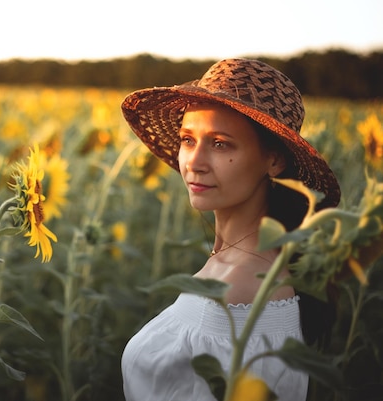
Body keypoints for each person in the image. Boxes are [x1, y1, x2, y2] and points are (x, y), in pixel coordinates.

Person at [119, 58, 341, 401]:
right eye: (188, 140)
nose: (194, 162)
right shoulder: (244, 262)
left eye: (220, 143)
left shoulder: (241, 290)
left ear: (274, 160)